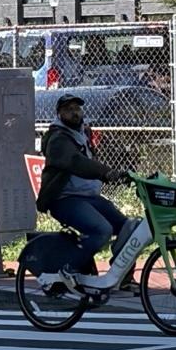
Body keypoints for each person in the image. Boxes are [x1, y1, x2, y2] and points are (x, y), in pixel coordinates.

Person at [35, 93, 128, 285]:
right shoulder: (57, 138)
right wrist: (107, 172)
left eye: (77, 108)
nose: (74, 113)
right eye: (68, 110)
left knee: (127, 227)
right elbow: (76, 162)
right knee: (102, 230)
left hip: (88, 197)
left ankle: (123, 277)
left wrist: (123, 175)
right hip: (65, 199)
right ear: (59, 114)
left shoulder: (83, 132)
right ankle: (69, 269)